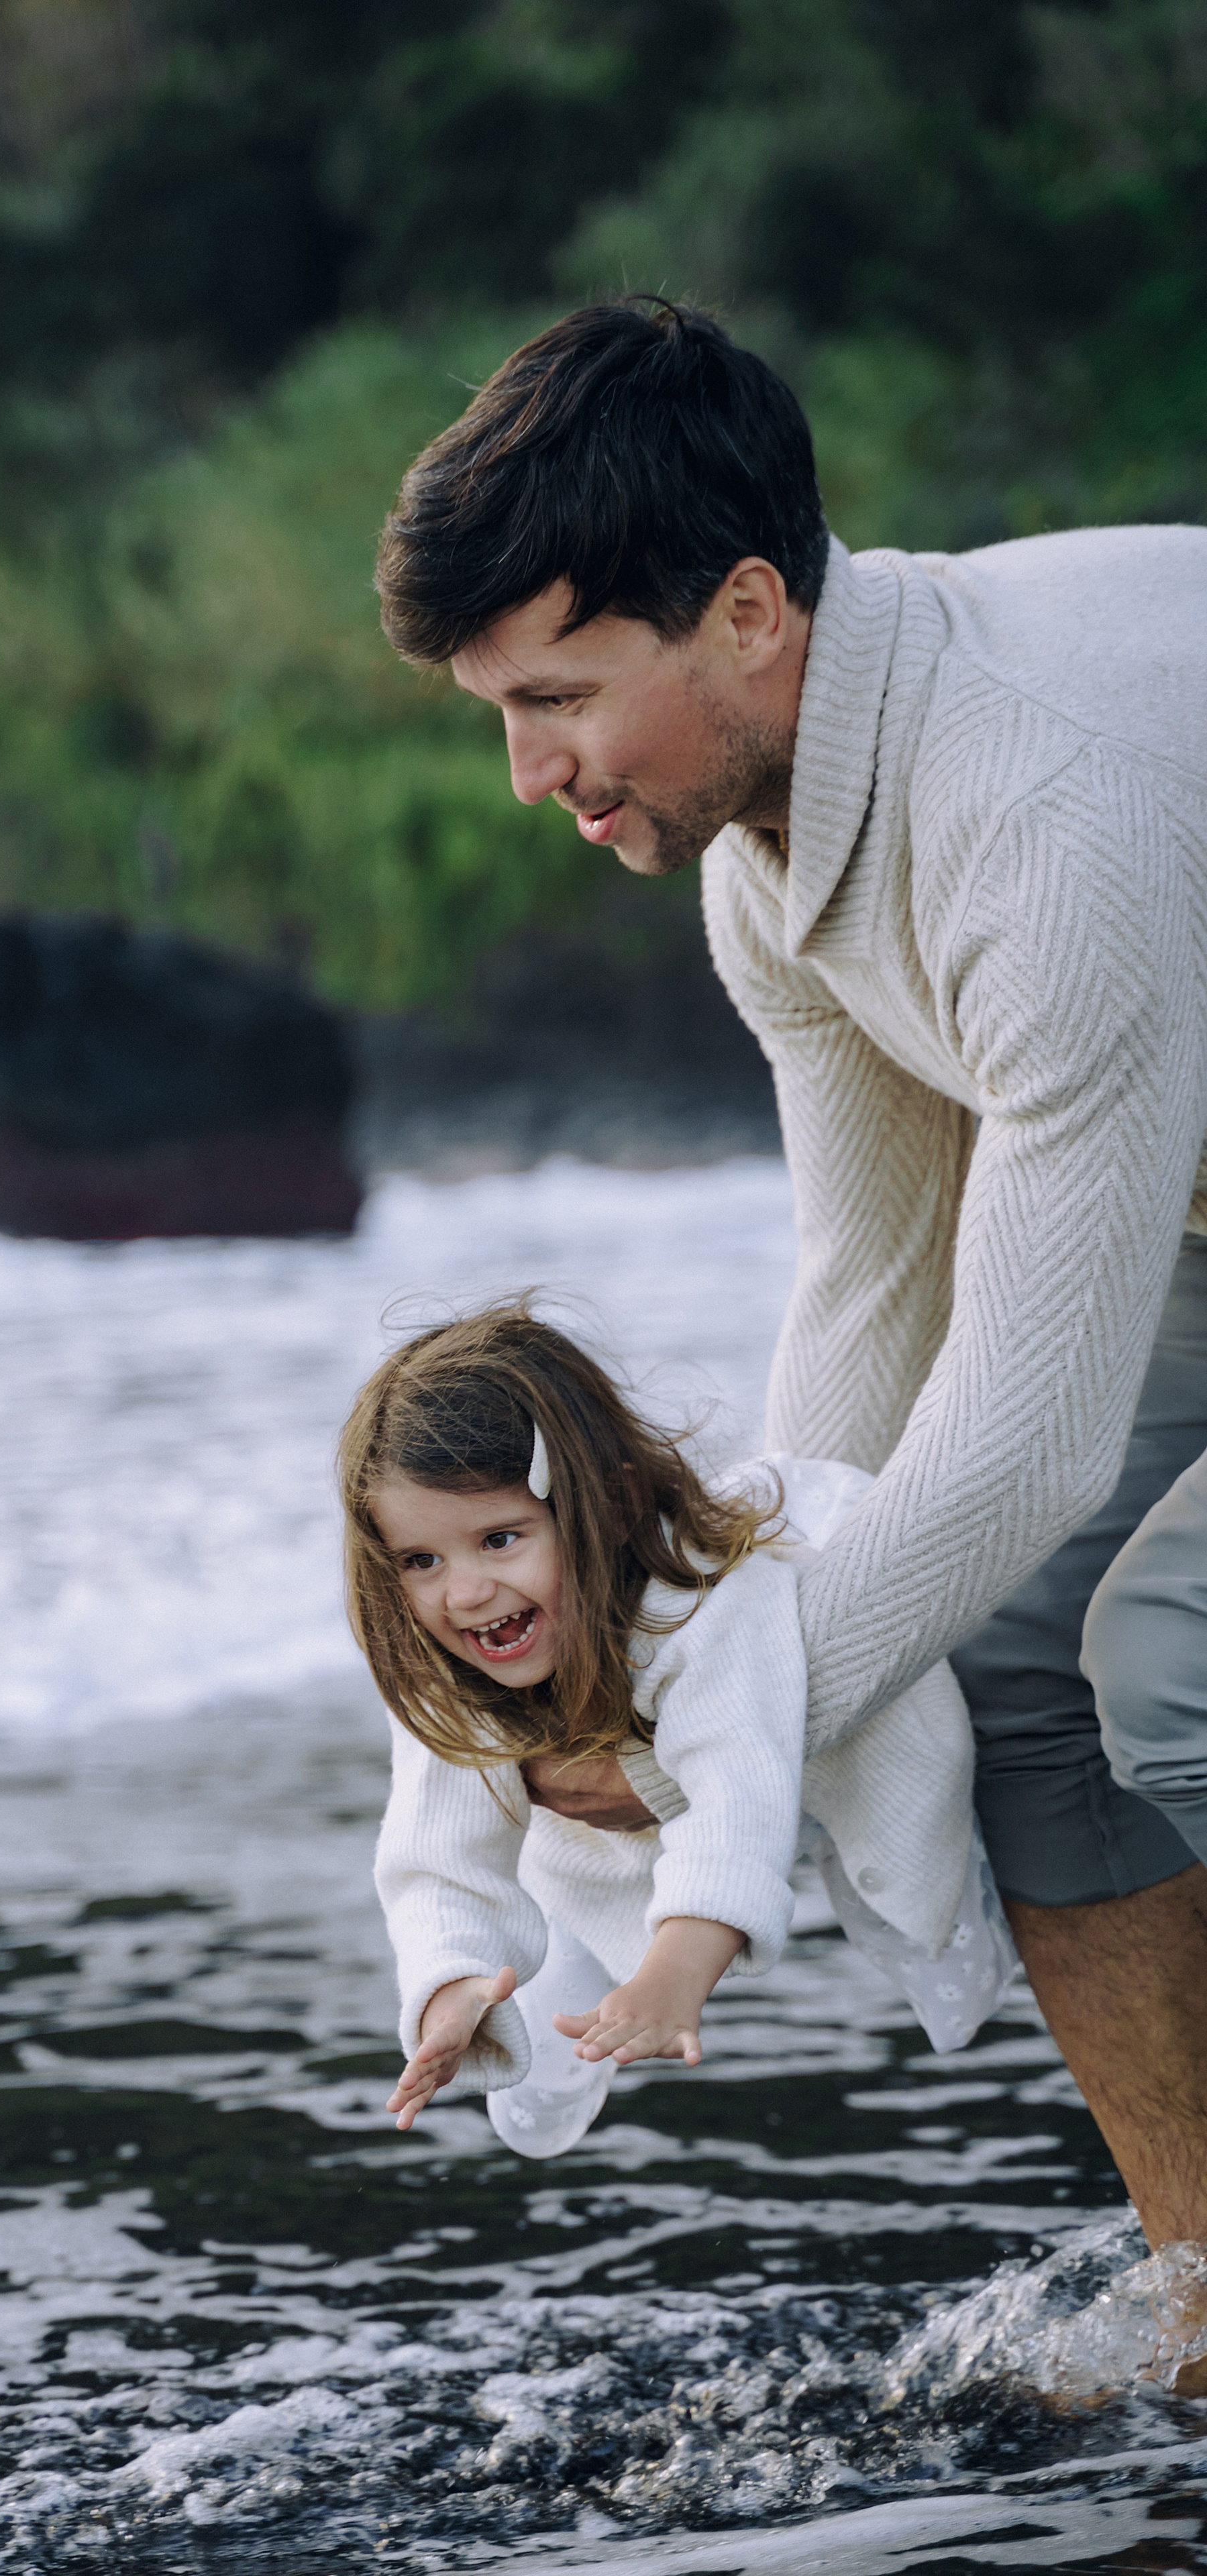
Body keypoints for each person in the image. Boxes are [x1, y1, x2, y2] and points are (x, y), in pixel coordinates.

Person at [372, 297, 1207, 2247]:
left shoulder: (1034, 811)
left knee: (1170, 1671)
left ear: (747, 611)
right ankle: (1200, 2286)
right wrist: (676, 1637)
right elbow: (868, 1304)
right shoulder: (766, 860)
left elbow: (1020, 1448)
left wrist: (683, 1749)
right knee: (1003, 1665)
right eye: (501, 710)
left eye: (556, 695)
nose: (527, 769)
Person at [340, 1304, 1012, 2158]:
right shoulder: (451, 1656)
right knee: (553, 1975)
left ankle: (934, 1923)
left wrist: (673, 1976)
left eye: (499, 1539)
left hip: (841, 1736)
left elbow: (736, 1794)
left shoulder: (704, 1598)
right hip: (600, 1828)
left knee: (904, 1868)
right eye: (420, 1560)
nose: (463, 1592)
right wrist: (451, 1989)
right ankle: (559, 2010)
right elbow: (435, 1854)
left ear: (611, 1506)